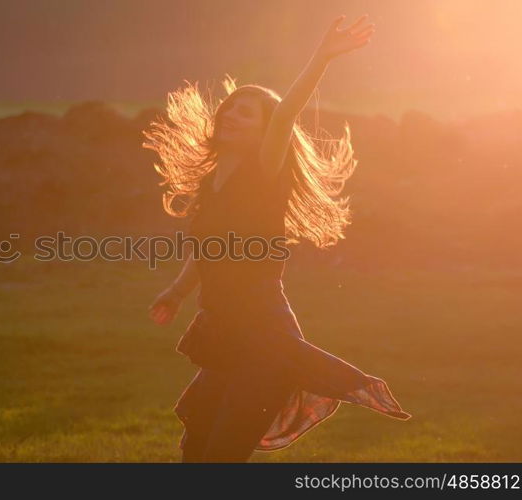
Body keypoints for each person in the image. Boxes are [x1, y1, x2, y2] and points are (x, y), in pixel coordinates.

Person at [142, 14, 411, 463]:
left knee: (221, 455)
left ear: (265, 131)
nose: (230, 114)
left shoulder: (266, 171)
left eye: (246, 112)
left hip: (264, 337)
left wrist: (322, 56)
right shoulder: (212, 184)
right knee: (195, 448)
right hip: (224, 334)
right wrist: (175, 291)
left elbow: (287, 111)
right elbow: (210, 250)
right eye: (229, 107)